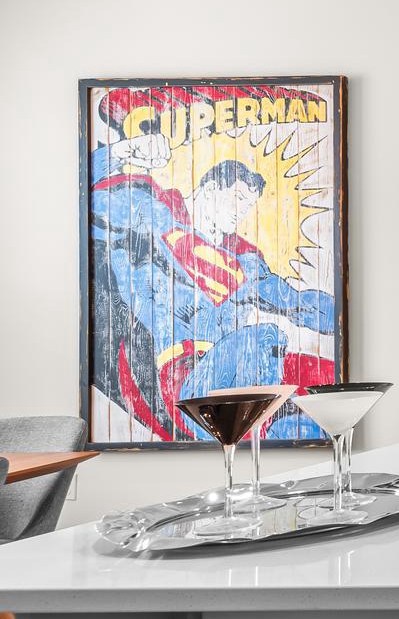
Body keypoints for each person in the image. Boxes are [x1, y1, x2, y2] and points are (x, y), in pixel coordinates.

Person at [88, 131, 336, 442]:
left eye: (248, 206)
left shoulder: (244, 261)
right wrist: (123, 151)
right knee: (264, 337)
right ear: (207, 188)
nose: (242, 212)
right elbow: (85, 200)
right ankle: (252, 441)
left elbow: (299, 304)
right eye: (237, 199)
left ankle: (272, 449)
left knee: (325, 377)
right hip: (183, 376)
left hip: (239, 371)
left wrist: (344, 319)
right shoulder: (152, 211)